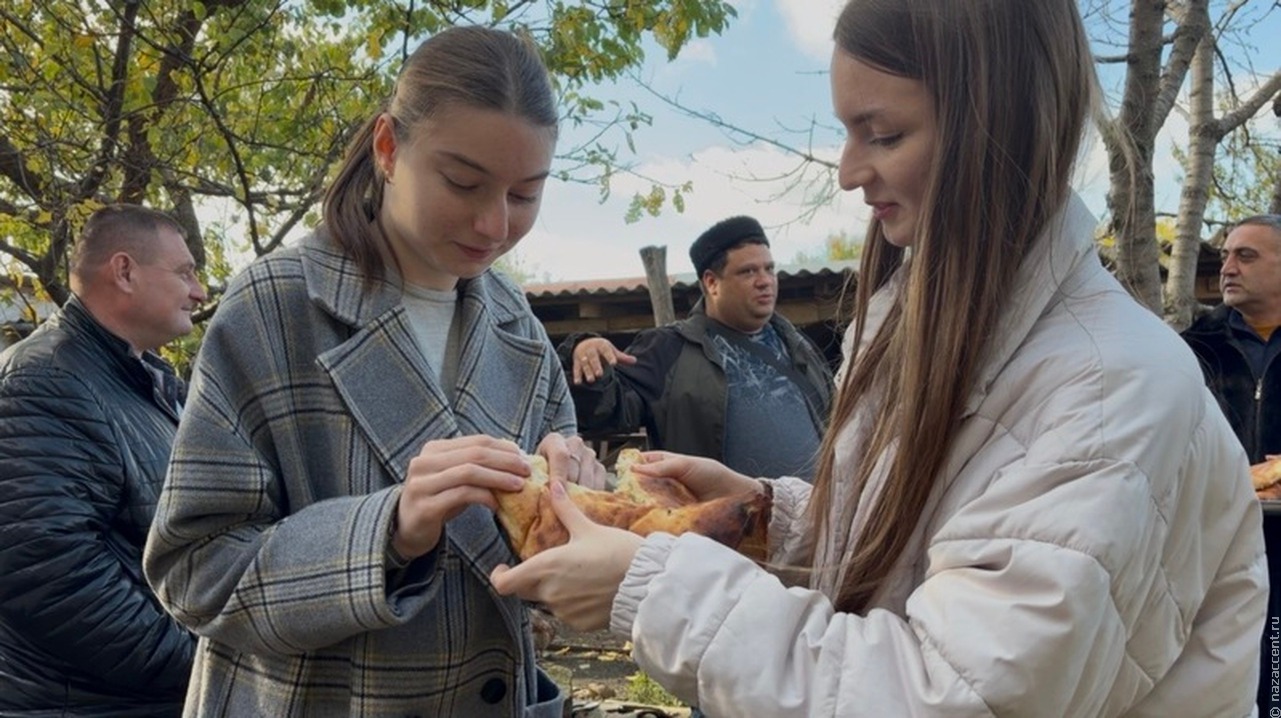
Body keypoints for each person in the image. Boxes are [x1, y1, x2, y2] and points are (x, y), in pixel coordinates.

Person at [490, 1, 1269, 716]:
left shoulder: (1104, 391)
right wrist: (772, 522)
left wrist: (649, 589)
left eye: (884, 134)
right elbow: (952, 547)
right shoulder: (945, 332)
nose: (848, 171)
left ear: (998, 128)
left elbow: (946, 692)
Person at [142, 27, 601, 717]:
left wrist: (575, 507)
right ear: (388, 148)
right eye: (463, 181)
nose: (493, 224)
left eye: (525, 194)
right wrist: (387, 531)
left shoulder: (522, 331)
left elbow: (543, 571)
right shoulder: (274, 308)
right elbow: (191, 573)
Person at [0, 204, 203, 716]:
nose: (199, 292)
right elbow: (49, 575)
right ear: (125, 271)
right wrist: (201, 665)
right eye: (185, 273)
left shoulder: (143, 384)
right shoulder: (43, 381)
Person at [563, 215, 834, 479]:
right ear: (712, 283)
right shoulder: (668, 349)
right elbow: (603, 412)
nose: (765, 280)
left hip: (815, 516)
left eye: (769, 269)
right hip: (718, 520)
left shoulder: (797, 344)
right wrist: (584, 351)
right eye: (748, 271)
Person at [1183, 214, 1281, 463]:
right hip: (1215, 502)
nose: (1227, 270)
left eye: (1245, 256)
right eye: (1224, 257)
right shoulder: (1191, 351)